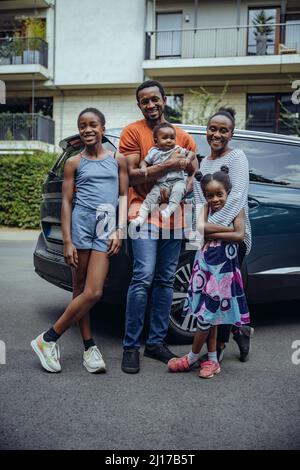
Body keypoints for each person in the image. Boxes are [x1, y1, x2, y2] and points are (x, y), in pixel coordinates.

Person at [31, 107, 128, 373]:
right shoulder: (74, 162)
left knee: (94, 291)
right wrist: (69, 241)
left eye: (93, 124)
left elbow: (123, 196)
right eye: (82, 125)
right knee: (80, 288)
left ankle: (48, 338)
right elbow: (66, 201)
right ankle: (89, 347)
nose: (87, 129)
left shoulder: (118, 160)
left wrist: (119, 229)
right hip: (81, 227)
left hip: (106, 227)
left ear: (102, 129)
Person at [119, 80, 197, 374]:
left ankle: (156, 342)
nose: (150, 105)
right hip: (142, 212)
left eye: (155, 99)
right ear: (139, 105)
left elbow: (193, 175)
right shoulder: (132, 132)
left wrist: (181, 187)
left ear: (164, 99)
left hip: (174, 218)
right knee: (143, 277)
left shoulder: (185, 137)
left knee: (165, 280)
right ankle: (130, 346)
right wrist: (166, 167)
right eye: (144, 101)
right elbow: (133, 177)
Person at [168, 166, 250, 378]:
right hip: (204, 266)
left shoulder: (236, 208)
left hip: (222, 272)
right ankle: (212, 360)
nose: (214, 199)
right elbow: (201, 228)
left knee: (206, 316)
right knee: (209, 316)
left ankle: (192, 356)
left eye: (219, 194)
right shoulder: (206, 208)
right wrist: (225, 230)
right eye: (209, 195)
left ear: (228, 193)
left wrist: (213, 231)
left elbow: (240, 235)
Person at [193, 106, 253, 363]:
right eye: (212, 129)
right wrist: (201, 229)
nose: (216, 134)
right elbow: (199, 201)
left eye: (223, 130)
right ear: (207, 130)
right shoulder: (204, 163)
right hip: (211, 236)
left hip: (232, 236)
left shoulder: (237, 157)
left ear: (231, 133)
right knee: (211, 291)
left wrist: (207, 229)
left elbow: (236, 197)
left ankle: (216, 352)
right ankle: (239, 331)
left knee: (223, 292)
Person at [131, 122, 194, 227]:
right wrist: (143, 168)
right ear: (156, 141)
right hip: (161, 184)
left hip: (177, 180)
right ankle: (141, 217)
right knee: (150, 198)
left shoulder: (178, 149)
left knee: (178, 191)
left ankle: (169, 210)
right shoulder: (153, 152)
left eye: (172, 138)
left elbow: (191, 153)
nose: (169, 140)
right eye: (165, 138)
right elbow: (144, 161)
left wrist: (187, 159)